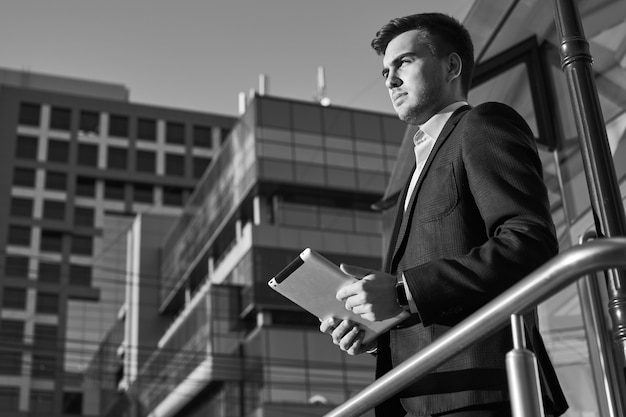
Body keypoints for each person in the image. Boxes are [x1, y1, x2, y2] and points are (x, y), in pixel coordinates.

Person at [319, 12, 569, 417]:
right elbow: (431, 299)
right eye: (385, 70)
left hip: (481, 394)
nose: (390, 80)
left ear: (451, 66)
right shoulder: (415, 172)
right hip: (417, 396)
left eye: (404, 62)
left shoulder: (482, 125)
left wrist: (401, 292)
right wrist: (380, 326)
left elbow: (529, 242)